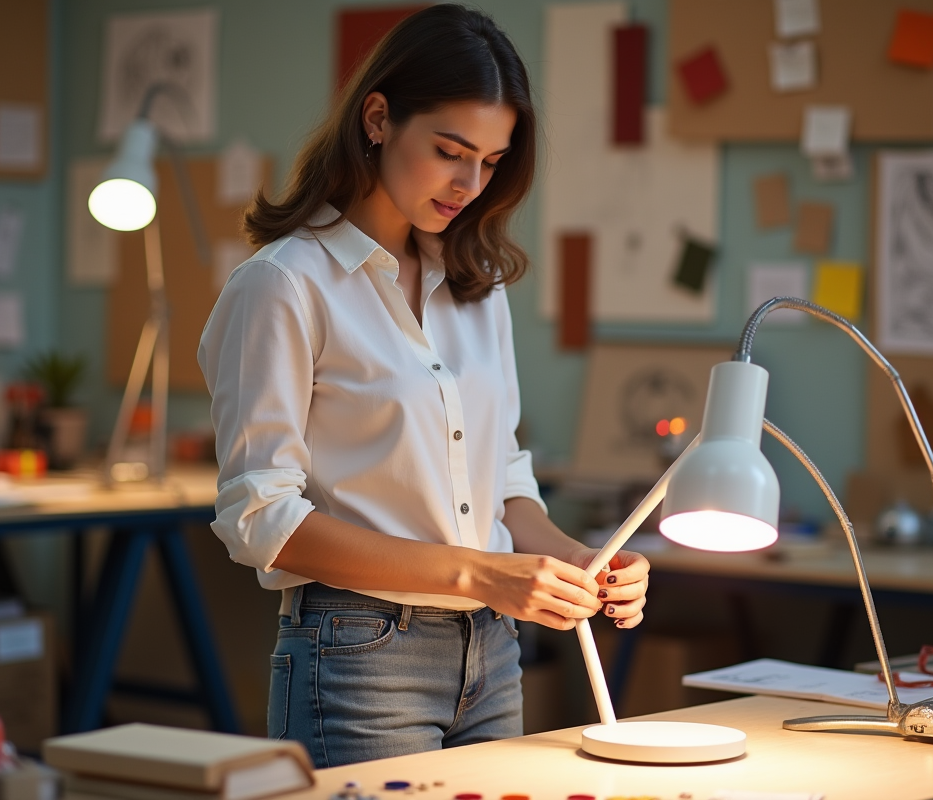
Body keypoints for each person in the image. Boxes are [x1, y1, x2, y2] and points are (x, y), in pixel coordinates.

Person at [198, 4, 649, 768]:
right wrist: (482, 572)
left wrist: (583, 565)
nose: (471, 183)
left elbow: (503, 486)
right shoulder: (282, 285)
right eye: (450, 150)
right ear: (378, 118)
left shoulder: (478, 289)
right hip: (359, 657)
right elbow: (263, 518)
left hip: (492, 651)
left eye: (493, 161)